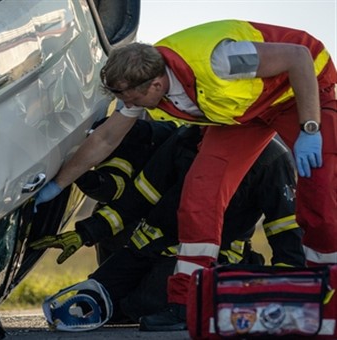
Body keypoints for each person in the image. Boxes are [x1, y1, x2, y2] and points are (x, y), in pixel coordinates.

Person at [33, 20, 337, 329]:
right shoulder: (147, 80)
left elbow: (299, 57)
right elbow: (105, 139)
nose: (129, 106)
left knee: (321, 196)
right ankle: (186, 303)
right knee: (200, 195)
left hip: (301, 90)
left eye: (132, 100)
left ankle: (330, 295)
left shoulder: (222, 60)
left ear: (155, 86)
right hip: (246, 113)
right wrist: (57, 185)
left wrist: (309, 128)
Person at [32, 123, 305, 330]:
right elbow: (139, 198)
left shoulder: (270, 157)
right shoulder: (186, 138)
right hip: (148, 248)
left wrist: (291, 290)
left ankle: (228, 291)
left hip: (205, 258)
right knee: (91, 300)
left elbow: (284, 227)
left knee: (141, 308)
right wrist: (85, 233)